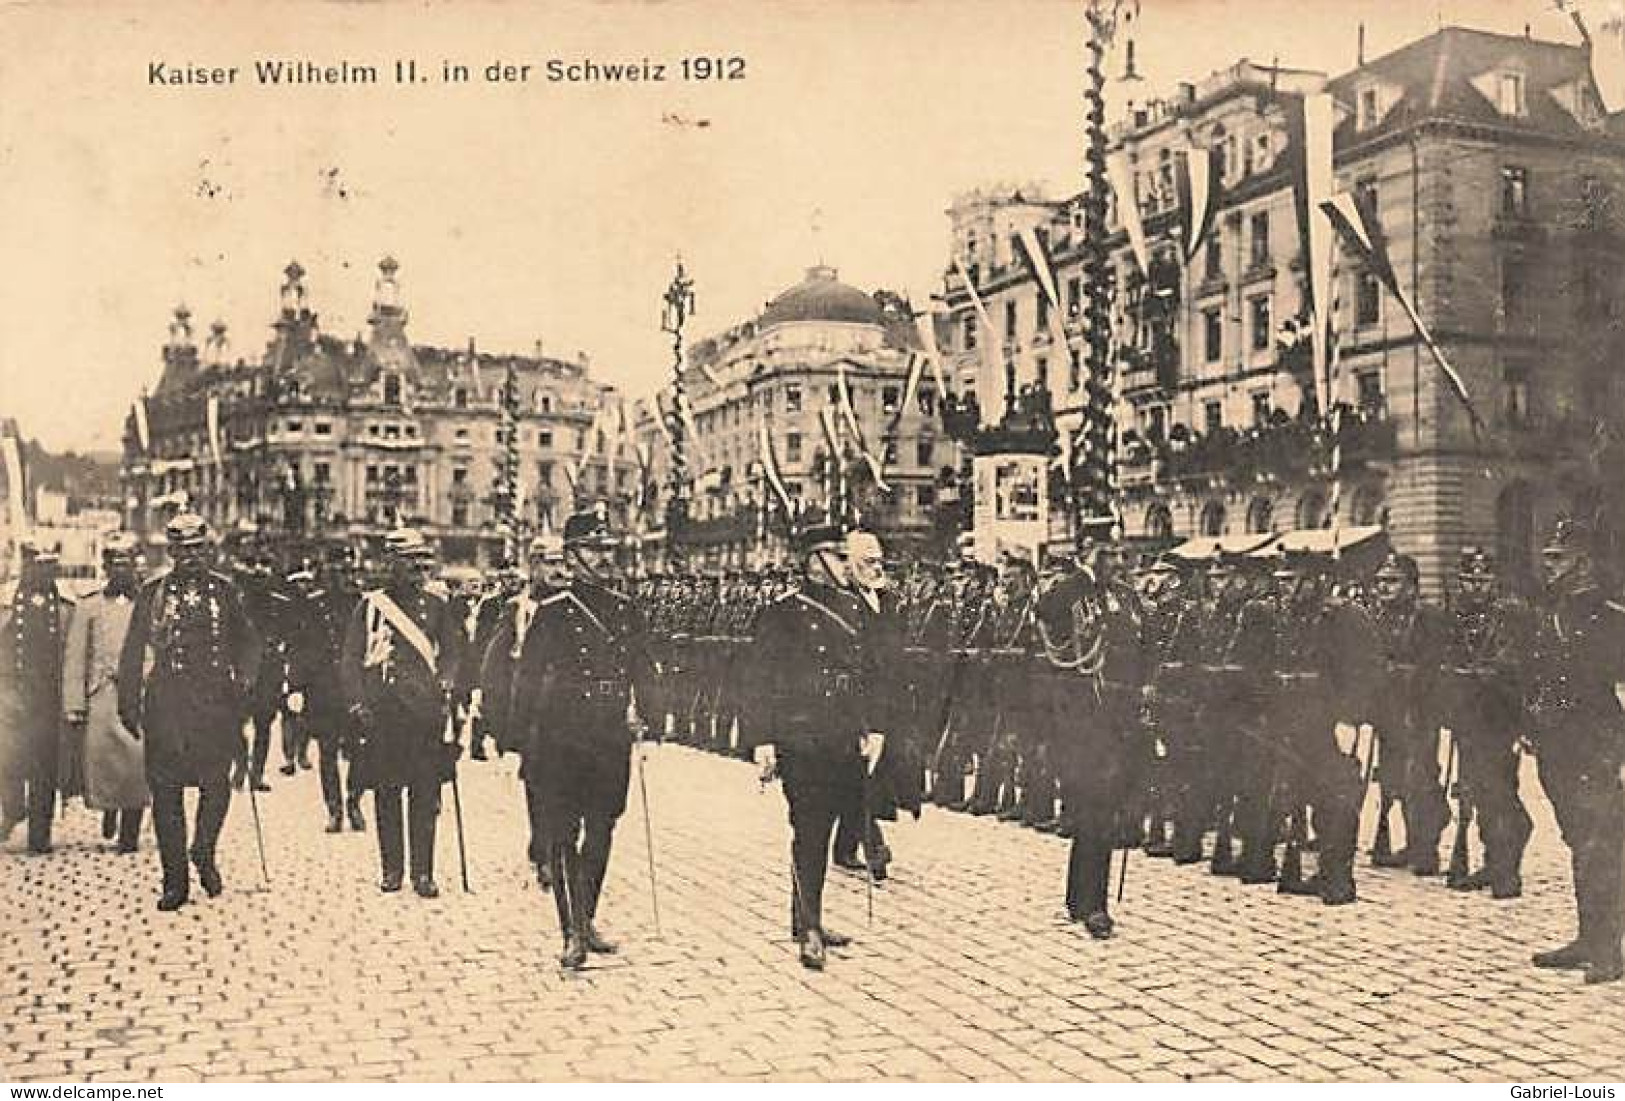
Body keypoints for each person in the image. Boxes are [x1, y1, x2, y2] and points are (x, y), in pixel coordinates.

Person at [509, 506, 654, 970]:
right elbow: (526, 679)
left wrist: (648, 715)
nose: (604, 557)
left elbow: (642, 668)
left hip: (610, 735)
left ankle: (586, 916)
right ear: (571, 558)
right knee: (564, 833)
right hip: (562, 735)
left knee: (603, 827)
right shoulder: (552, 614)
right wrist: (519, 738)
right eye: (594, 549)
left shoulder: (627, 610)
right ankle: (571, 930)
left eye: (606, 548)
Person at [744, 512, 878, 970]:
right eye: (838, 557)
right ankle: (810, 926)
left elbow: (864, 675)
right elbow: (759, 680)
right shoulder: (781, 613)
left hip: (841, 734)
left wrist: (869, 728)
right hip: (801, 737)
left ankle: (808, 918)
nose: (846, 565)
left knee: (829, 824)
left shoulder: (853, 608)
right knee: (810, 830)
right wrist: (762, 740)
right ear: (814, 561)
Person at [117, 513, 261, 910]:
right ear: (171, 552)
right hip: (167, 705)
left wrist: (246, 683)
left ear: (207, 550)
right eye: (182, 550)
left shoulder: (225, 592)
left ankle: (204, 850)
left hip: (216, 706)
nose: (190, 557)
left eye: (197, 549)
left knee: (216, 786)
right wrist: (127, 702)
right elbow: (132, 652)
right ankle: (174, 880)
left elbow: (249, 644)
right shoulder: (153, 594)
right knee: (166, 793)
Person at [1527, 517, 1625, 984]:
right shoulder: (1552, 614)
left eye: (1558, 559)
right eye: (1547, 558)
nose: (1548, 566)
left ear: (1582, 563)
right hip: (1558, 746)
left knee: (1600, 844)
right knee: (1577, 840)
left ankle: (1608, 951)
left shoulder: (1610, 619)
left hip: (1596, 747)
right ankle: (1589, 938)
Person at [340, 528, 462, 898]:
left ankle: (423, 873)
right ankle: (392, 869)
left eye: (419, 560)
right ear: (389, 562)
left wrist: (445, 683)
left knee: (425, 796)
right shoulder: (371, 606)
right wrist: (357, 702)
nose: (415, 568)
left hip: (424, 713)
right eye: (406, 560)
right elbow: (350, 658)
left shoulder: (436, 606)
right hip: (383, 714)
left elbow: (453, 653)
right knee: (387, 792)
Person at [478, 531, 568, 891]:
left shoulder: (577, 605)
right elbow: (496, 663)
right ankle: (544, 849)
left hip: (569, 707)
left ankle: (553, 844)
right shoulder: (517, 608)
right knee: (539, 780)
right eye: (550, 562)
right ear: (534, 566)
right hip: (531, 708)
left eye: (563, 562)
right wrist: (493, 712)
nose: (559, 570)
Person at [1442, 547, 1534, 898]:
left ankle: (1507, 869)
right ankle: (1493, 859)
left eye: (1482, 580)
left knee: (1499, 791)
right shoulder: (1459, 618)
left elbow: (1518, 665)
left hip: (1501, 717)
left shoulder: (1510, 617)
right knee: (1474, 790)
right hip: (1468, 715)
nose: (1476, 587)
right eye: (1469, 580)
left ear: (1494, 582)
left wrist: (1483, 675)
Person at [832, 529, 914, 881]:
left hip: (887, 696)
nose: (875, 568)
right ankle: (873, 845)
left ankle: (845, 847)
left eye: (879, 560)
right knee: (857, 770)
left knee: (874, 771)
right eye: (867, 561)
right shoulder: (840, 600)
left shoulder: (887, 599)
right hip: (854, 698)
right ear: (848, 565)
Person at [63, 534, 148, 853]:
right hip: (100, 693)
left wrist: (147, 679)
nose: (121, 569)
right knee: (104, 761)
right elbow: (75, 655)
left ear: (135, 565)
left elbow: (155, 646)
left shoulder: (147, 602)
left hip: (136, 694)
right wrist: (74, 703)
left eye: (126, 562)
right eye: (114, 563)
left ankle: (130, 832)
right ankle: (110, 808)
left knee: (137, 761)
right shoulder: (89, 605)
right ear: (106, 566)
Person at [1, 539, 72, 853]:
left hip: (49, 697)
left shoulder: (66, 603)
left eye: (49, 566)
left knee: (45, 765)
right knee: (8, 760)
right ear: (25, 565)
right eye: (37, 565)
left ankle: (39, 834)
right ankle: (13, 809)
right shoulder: (6, 600)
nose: (43, 572)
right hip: (11, 693)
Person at [293, 549, 366, 833]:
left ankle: (354, 801)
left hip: (356, 690)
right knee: (327, 752)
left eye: (351, 571)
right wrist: (296, 686)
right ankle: (334, 809)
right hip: (323, 690)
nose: (347, 576)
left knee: (361, 751)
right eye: (340, 571)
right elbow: (301, 647)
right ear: (330, 573)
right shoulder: (314, 605)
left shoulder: (364, 605)